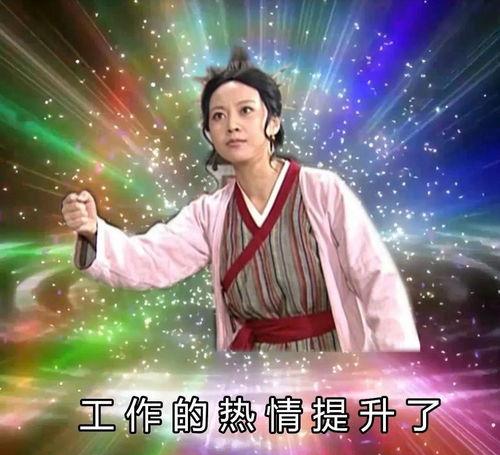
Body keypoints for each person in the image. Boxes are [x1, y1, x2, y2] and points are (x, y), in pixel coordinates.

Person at [61, 46, 420, 352]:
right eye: (218, 116)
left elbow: (376, 278)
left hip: (330, 361)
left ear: (273, 122)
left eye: (246, 110)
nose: (232, 124)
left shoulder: (322, 190)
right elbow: (151, 260)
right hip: (252, 370)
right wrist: (93, 230)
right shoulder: (210, 213)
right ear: (209, 133)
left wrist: (400, 368)